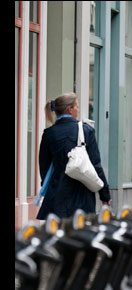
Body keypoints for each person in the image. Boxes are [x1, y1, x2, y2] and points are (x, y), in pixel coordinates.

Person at [36, 92, 111, 220]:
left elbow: (44, 167)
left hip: (57, 196)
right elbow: (96, 165)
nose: (78, 110)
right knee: (80, 235)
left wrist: (49, 187)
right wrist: (105, 195)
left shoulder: (49, 134)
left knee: (58, 236)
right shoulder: (86, 131)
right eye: (77, 106)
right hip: (82, 195)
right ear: (70, 109)